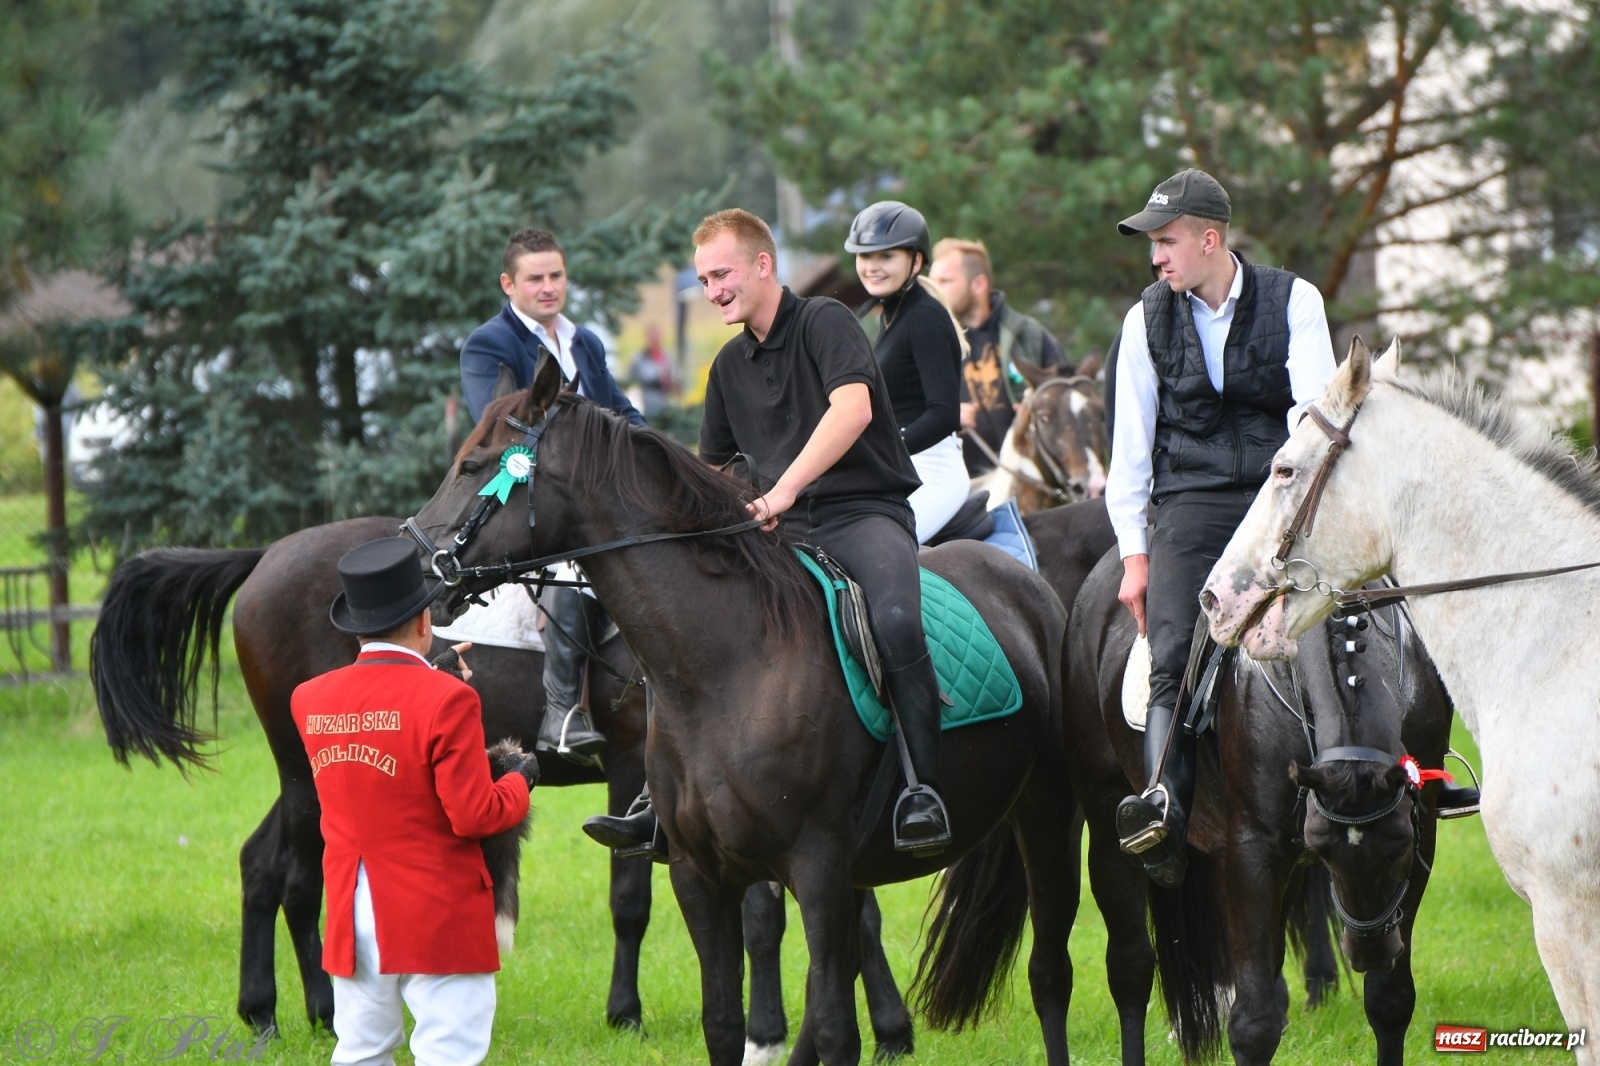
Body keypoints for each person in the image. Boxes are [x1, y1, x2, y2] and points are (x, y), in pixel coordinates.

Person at [583, 208, 952, 856]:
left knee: (895, 618)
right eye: (702, 279)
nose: (713, 289)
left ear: (762, 264)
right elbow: (718, 467)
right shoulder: (727, 366)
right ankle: (659, 798)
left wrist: (783, 489)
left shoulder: (825, 322)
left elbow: (854, 407)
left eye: (721, 273)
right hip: (780, 527)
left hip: (863, 512)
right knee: (689, 620)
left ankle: (924, 787)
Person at [1105, 169, 1338, 889]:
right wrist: (1135, 557)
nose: (1156, 257)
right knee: (1170, 646)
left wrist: (1290, 504)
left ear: (1210, 239)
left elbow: (1315, 416)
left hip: (1280, 496)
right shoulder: (1144, 319)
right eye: (1152, 244)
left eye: (1167, 240)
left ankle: (1380, 782)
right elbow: (1130, 454)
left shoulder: (1296, 300)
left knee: (1352, 626)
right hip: (1193, 501)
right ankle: (1164, 809)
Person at [292, 537, 536, 1066]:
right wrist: (520, 780)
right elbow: (475, 813)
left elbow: (379, 733)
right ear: (424, 622)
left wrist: (427, 677)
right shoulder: (449, 699)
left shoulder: (308, 699)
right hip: (434, 908)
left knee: (360, 1052)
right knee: (449, 1053)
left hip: (351, 911)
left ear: (357, 627)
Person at [460, 228, 645, 766]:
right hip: (516, 488)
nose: (548, 287)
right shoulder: (489, 343)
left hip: (591, 493)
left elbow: (618, 410)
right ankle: (562, 710)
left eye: (556, 276)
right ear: (509, 283)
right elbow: (499, 423)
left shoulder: (583, 341)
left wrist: (651, 447)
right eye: (535, 278)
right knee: (575, 562)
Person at [845, 201, 968, 544]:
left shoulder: (925, 318)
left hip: (933, 471)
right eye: (865, 256)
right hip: (899, 465)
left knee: (882, 551)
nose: (872, 267)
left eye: (886, 256)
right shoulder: (888, 316)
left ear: (916, 261)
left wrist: (881, 451)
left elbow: (944, 415)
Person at [927, 237, 1068, 476]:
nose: (933, 291)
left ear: (979, 284)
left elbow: (1069, 401)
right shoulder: (928, 341)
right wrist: (946, 419)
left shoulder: (1028, 334)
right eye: (932, 282)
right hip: (958, 489)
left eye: (945, 281)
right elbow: (901, 419)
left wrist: (1039, 408)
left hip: (1031, 486)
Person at [627, 323, 678, 419]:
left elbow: (674, 381)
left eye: (658, 336)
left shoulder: (666, 356)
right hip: (646, 404)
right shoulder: (639, 358)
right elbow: (628, 379)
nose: (656, 339)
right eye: (653, 336)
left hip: (664, 403)